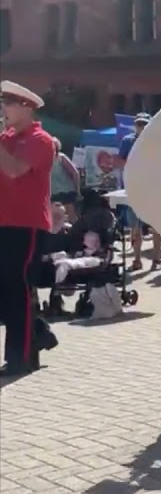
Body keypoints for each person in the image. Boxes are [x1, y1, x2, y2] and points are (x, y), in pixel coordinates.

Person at [0, 80, 59, 376]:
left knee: (17, 286)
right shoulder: (7, 138)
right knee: (7, 288)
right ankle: (37, 332)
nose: (3, 109)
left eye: (8, 104)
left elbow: (13, 170)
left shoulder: (40, 139)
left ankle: (20, 357)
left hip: (27, 225)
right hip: (4, 221)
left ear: (26, 108)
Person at [115, 113, 161, 271]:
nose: (141, 127)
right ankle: (137, 260)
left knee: (157, 225)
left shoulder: (157, 142)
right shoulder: (128, 141)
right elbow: (119, 161)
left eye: (144, 124)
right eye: (139, 124)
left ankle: (157, 260)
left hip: (154, 189)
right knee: (135, 227)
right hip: (133, 189)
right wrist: (134, 165)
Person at [49, 137, 80, 222]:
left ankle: (76, 232)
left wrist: (78, 191)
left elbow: (75, 173)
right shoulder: (42, 159)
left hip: (67, 191)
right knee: (54, 217)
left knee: (71, 216)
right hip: (52, 193)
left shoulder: (61, 157)